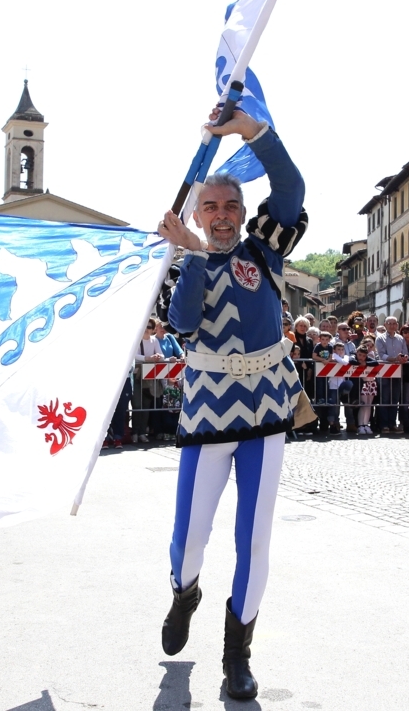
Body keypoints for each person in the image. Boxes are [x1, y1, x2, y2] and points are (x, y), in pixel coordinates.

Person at [155, 107, 306, 700]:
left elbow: (291, 187)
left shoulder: (264, 251)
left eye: (231, 207)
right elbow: (186, 321)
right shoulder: (180, 262)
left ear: (244, 214)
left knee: (256, 538)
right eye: (211, 208)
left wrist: (253, 132)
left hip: (267, 413)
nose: (222, 217)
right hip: (207, 419)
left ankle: (236, 654)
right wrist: (191, 255)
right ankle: (183, 591)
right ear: (197, 214)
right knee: (189, 539)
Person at [374, 316, 407, 434]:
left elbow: (405, 352)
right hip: (384, 371)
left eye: (394, 323)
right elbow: (381, 354)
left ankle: (392, 423)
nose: (392, 325)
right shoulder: (380, 338)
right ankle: (383, 425)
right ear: (385, 324)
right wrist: (393, 359)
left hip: (397, 372)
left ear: (397, 325)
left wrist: (404, 358)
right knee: (384, 398)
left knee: (394, 398)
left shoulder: (401, 338)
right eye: (390, 323)